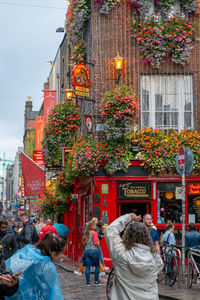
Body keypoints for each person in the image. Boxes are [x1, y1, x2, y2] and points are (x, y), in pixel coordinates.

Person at [105, 213, 163, 300]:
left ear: (127, 236)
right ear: (146, 236)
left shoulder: (121, 254)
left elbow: (110, 231)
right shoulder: (156, 259)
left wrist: (128, 217)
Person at [5, 232, 66, 299]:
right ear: (53, 254)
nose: (63, 256)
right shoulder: (47, 266)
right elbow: (49, 292)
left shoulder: (29, 251)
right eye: (62, 253)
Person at [82, 220, 102, 286]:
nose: (95, 226)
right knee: (97, 266)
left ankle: (88, 282)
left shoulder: (86, 233)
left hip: (87, 251)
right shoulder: (94, 233)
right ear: (92, 226)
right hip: (93, 251)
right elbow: (96, 242)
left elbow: (84, 242)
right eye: (94, 225)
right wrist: (98, 243)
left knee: (87, 267)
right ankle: (96, 281)